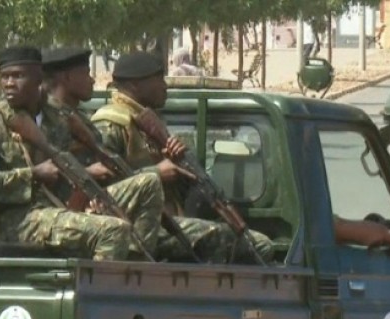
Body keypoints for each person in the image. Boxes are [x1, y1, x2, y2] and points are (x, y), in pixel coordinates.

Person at [91, 52, 274, 264]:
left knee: (248, 241)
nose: (164, 86)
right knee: (255, 246)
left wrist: (177, 163)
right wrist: (158, 173)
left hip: (162, 219)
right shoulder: (111, 123)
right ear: (135, 86)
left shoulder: (146, 121)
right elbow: (98, 189)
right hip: (134, 225)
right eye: (158, 79)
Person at [0, 46, 132, 261]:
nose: (9, 83)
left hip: (54, 208)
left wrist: (86, 201)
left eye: (18, 76)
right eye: (4, 77)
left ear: (38, 78)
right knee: (112, 231)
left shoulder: (56, 118)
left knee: (123, 217)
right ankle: (94, 291)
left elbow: (62, 175)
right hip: (13, 219)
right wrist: (32, 174)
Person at [41, 46, 164, 258]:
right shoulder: (50, 119)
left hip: (91, 197)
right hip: (65, 205)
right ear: (67, 78)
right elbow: (46, 170)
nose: (92, 80)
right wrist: (88, 173)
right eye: (86, 73)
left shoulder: (77, 116)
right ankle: (137, 263)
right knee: (149, 182)